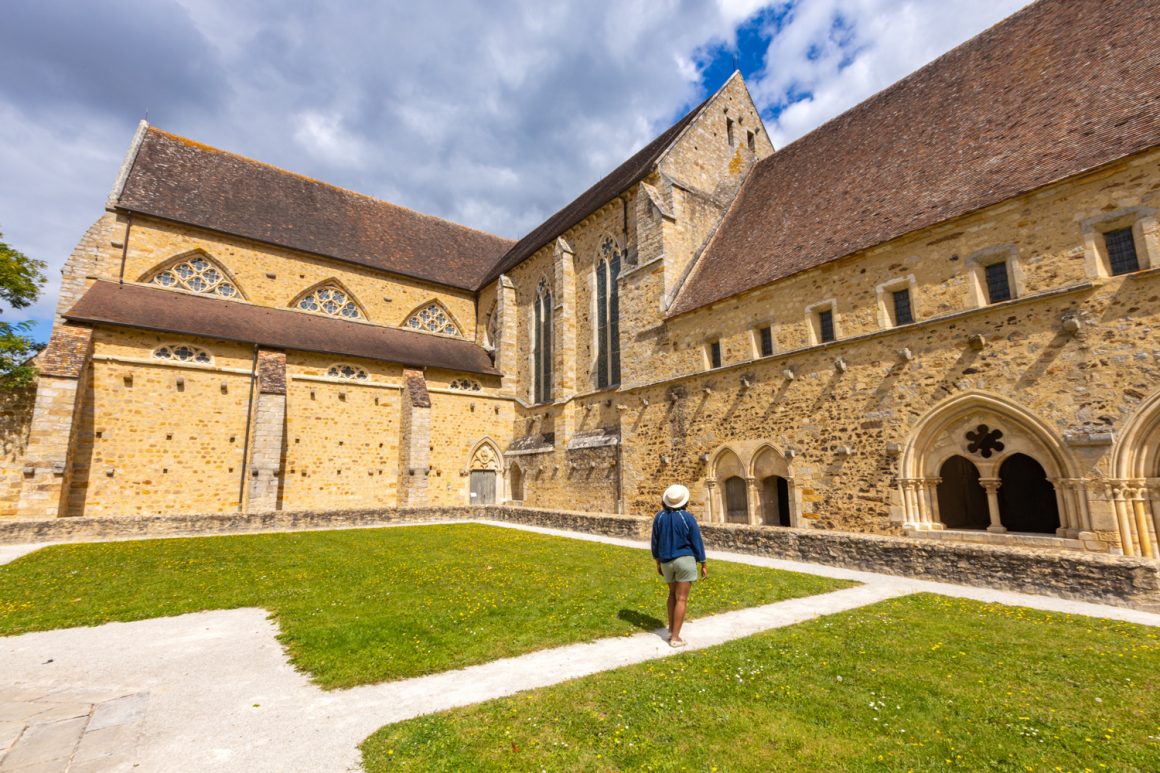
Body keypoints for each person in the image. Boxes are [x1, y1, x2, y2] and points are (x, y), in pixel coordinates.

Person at [650, 483, 707, 648]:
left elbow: (655, 542)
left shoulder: (659, 517)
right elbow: (696, 541)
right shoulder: (687, 517)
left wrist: (658, 561)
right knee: (681, 598)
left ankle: (671, 629)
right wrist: (703, 562)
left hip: (666, 561)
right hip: (684, 560)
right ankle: (675, 637)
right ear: (684, 501)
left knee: (672, 595)